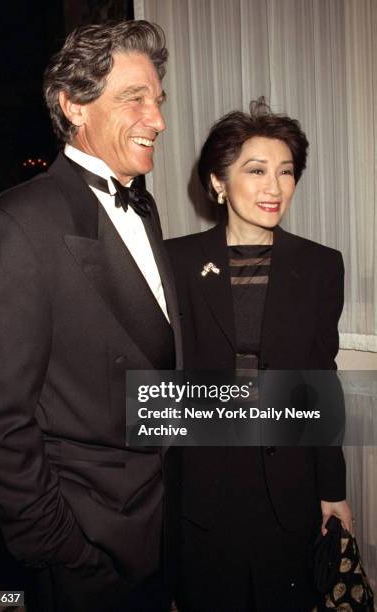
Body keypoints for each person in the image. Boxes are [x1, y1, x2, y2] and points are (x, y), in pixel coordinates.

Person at [0, 20, 182, 612]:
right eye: (135, 99)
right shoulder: (14, 226)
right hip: (87, 548)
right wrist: (64, 548)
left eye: (158, 101)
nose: (157, 119)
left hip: (162, 526)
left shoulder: (145, 205)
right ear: (73, 105)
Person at [166, 98, 352, 612]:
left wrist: (332, 489)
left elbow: (320, 381)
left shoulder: (319, 266)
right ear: (218, 182)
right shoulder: (174, 261)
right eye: (256, 170)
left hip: (288, 484)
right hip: (202, 486)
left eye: (286, 171)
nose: (275, 187)